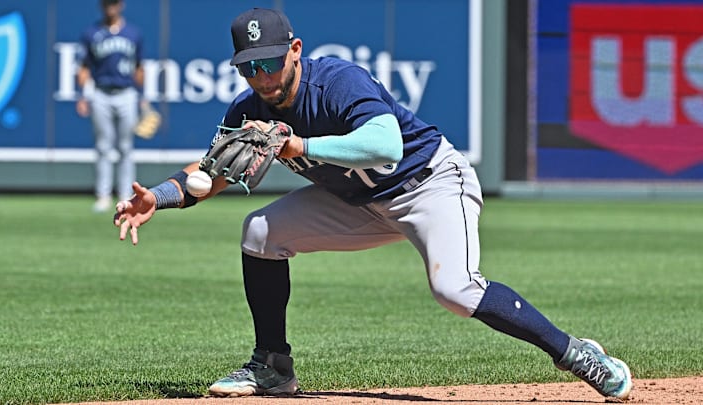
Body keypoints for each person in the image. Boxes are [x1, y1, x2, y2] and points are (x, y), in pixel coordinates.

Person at [113, 7, 633, 400]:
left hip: (429, 184)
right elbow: (210, 174)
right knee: (260, 233)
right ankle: (273, 366)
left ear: (295, 49)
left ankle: (574, 352)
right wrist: (156, 197)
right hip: (356, 203)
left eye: (271, 62)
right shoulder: (249, 108)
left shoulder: (336, 81)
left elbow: (387, 146)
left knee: (453, 289)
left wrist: (299, 146)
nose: (262, 77)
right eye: (250, 67)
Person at [77, 0, 144, 213]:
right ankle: (103, 195)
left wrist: (142, 96)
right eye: (107, 3)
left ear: (121, 5)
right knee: (103, 147)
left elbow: (139, 68)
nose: (110, 7)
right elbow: (84, 68)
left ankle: (126, 195)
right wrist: (83, 95)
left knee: (125, 147)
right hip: (101, 93)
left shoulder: (133, 33)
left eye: (113, 3)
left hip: (126, 93)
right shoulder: (92, 33)